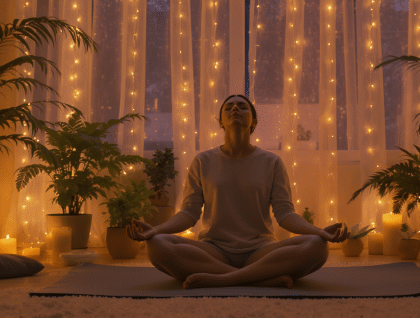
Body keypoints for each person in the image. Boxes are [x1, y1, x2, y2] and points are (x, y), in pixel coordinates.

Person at [127, 94, 347, 289]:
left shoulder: (272, 162)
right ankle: (258, 279)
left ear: (253, 121)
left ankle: (222, 279)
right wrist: (154, 230)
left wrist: (319, 232)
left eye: (242, 107)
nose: (235, 108)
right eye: (228, 107)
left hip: (260, 251)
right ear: (221, 122)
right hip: (213, 250)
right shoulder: (203, 161)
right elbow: (189, 213)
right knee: (157, 245)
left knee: (317, 247)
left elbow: (285, 214)